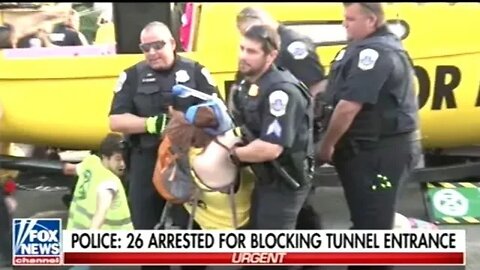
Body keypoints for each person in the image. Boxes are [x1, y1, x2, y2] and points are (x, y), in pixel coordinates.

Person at [317, 3, 421, 269]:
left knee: (373, 228)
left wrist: (327, 146)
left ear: (372, 20)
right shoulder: (361, 48)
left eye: (350, 19)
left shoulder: (376, 53)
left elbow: (349, 106)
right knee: (366, 222)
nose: (344, 24)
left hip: (380, 157)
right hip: (366, 152)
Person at [108, 21, 218, 236]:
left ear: (172, 43)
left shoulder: (196, 71)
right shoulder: (131, 76)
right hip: (145, 162)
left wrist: (186, 122)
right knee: (147, 232)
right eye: (145, 48)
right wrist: (150, 124)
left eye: (158, 46)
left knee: (192, 232)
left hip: (188, 162)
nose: (152, 52)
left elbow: (217, 114)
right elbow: (115, 120)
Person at [235, 6, 325, 233]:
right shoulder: (254, 83)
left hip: (284, 179)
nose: (244, 56)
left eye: (252, 51)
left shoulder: (280, 91)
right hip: (266, 178)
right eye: (242, 48)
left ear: (271, 55)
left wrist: (233, 154)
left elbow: (270, 148)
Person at [65, 133, 133, 231]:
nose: (123, 164)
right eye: (118, 159)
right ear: (105, 157)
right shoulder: (110, 182)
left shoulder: (91, 162)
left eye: (124, 159)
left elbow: (72, 169)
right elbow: (101, 211)